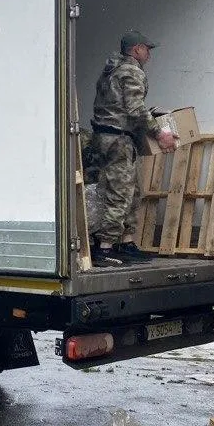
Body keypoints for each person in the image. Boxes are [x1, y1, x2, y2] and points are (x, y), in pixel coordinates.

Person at [89, 30, 178, 266]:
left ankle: (126, 243)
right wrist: (160, 133)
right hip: (119, 140)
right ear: (136, 49)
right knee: (120, 193)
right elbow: (136, 109)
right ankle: (105, 247)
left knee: (130, 191)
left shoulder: (111, 71)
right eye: (147, 48)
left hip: (109, 138)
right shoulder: (131, 71)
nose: (149, 53)